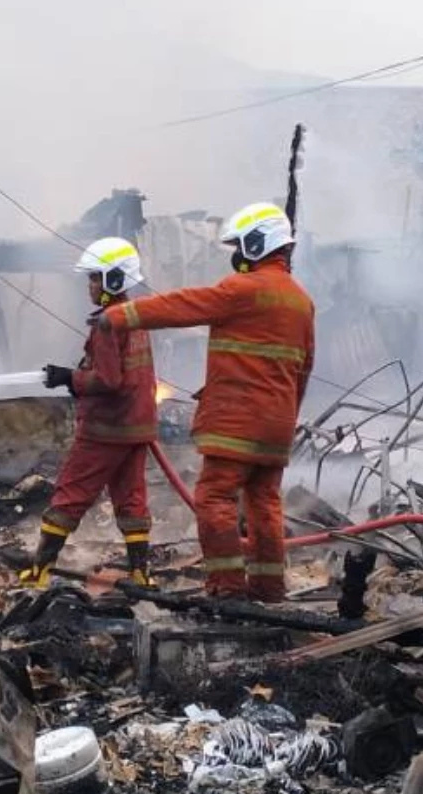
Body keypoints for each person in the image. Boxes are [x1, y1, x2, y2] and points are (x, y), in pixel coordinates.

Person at [98, 203, 314, 602]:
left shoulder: (243, 290)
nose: (234, 253)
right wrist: (286, 418)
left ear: (256, 244)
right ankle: (269, 588)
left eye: (237, 245)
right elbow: (303, 370)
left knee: (214, 497)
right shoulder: (301, 301)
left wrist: (120, 314)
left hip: (237, 421)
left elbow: (183, 305)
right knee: (265, 502)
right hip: (277, 426)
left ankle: (227, 587)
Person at [20, 237, 159, 589]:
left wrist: (70, 378)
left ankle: (40, 572)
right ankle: (141, 573)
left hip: (106, 429)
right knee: (131, 498)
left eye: (95, 278)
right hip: (136, 427)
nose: (90, 286)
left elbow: (109, 380)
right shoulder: (135, 317)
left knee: (70, 493)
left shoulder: (107, 324)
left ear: (114, 279)